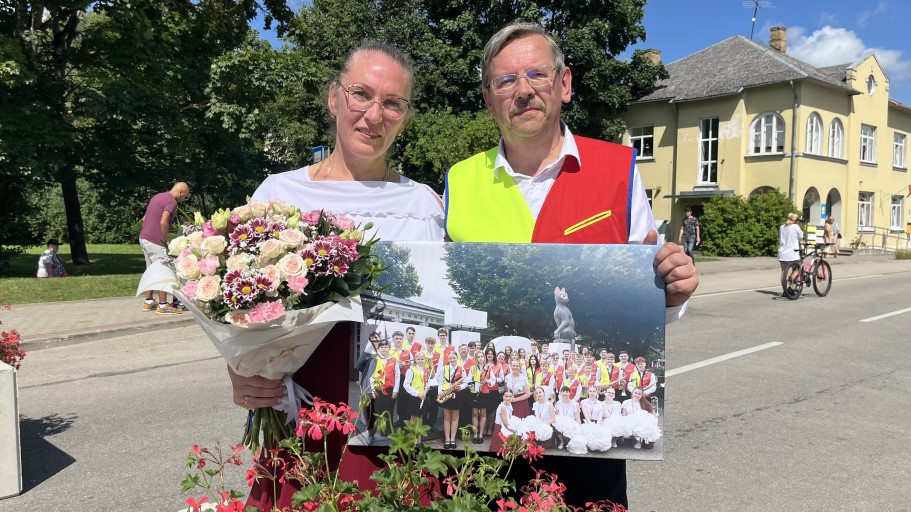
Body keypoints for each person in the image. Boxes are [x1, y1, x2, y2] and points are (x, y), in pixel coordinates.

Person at [443, 22, 698, 508]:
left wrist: (672, 289)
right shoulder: (459, 180)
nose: (523, 91)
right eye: (505, 81)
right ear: (487, 98)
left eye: (537, 74)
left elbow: (650, 290)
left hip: (585, 467)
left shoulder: (618, 169)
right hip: (484, 463)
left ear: (564, 84)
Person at [229, 43, 445, 511]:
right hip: (301, 416)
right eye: (360, 94)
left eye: (392, 103)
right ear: (333, 97)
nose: (374, 114)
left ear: (405, 117)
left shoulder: (424, 205)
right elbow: (239, 306)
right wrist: (239, 371)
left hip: (397, 425)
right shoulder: (277, 193)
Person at [139, 182, 190, 314]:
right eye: (185, 197)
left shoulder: (157, 197)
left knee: (151, 270)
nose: (183, 199)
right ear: (181, 192)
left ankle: (148, 301)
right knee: (164, 271)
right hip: (156, 241)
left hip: (144, 238)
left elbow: (144, 219)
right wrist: (165, 239)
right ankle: (162, 305)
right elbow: (163, 221)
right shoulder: (172, 202)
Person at [365, 338, 400, 445]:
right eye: (382, 347)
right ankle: (371, 434)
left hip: (390, 390)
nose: (384, 348)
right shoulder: (374, 360)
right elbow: (370, 377)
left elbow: (397, 376)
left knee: (388, 411)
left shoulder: (394, 360)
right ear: (378, 348)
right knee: (375, 412)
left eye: (386, 347)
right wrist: (372, 391)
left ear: (389, 348)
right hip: (377, 390)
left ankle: (386, 432)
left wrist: (395, 390)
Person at [436, 351, 467, 448]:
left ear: (457, 358)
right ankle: (447, 439)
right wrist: (440, 391)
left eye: (454, 358)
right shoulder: (444, 368)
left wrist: (460, 387)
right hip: (446, 394)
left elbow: (466, 382)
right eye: (450, 358)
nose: (452, 360)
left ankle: (453, 439)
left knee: (455, 418)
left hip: (457, 395)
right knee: (447, 417)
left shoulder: (461, 369)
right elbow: (440, 380)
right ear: (448, 359)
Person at [778, 212, 804, 296]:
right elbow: (801, 236)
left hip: (782, 252)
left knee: (783, 272)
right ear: (796, 220)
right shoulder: (795, 226)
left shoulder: (782, 227)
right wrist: (798, 226)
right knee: (797, 269)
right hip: (793, 253)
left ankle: (784, 291)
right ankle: (791, 286)